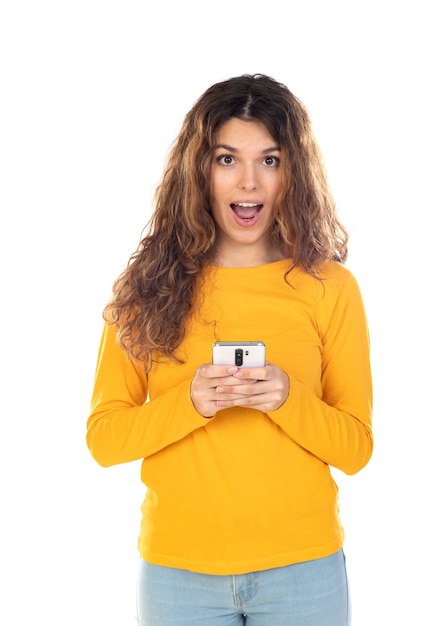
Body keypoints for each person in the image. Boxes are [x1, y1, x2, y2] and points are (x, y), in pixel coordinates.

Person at [86, 73, 373, 625]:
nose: (249, 182)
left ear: (293, 172)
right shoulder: (147, 287)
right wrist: (190, 405)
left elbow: (357, 448)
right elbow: (104, 439)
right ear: (199, 171)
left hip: (304, 572)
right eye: (226, 159)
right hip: (177, 576)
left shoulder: (330, 287)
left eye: (269, 160)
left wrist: (287, 399)